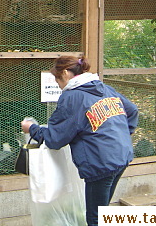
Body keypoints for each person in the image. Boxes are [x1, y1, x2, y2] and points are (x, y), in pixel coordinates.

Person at [21, 55, 138, 226]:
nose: (58, 84)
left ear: (66, 74)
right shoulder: (104, 88)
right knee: (102, 209)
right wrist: (122, 135)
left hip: (101, 163)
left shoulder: (72, 97)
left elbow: (55, 138)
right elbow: (132, 110)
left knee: (95, 217)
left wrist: (31, 128)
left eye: (58, 79)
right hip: (122, 155)